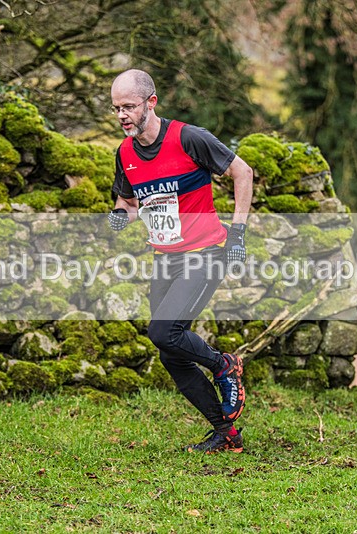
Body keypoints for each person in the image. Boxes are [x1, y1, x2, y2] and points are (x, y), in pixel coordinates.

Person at [107, 69, 254, 452]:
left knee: (162, 331)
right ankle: (227, 433)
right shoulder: (125, 153)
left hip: (205, 252)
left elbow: (243, 172)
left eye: (128, 106)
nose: (122, 115)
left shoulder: (189, 138)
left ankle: (225, 365)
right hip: (166, 258)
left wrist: (238, 233)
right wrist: (120, 216)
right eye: (116, 108)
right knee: (172, 355)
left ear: (151, 103)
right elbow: (130, 201)